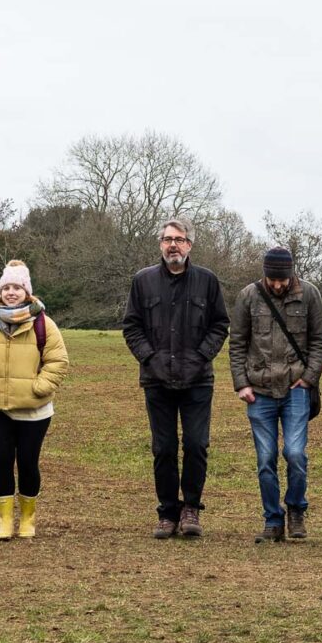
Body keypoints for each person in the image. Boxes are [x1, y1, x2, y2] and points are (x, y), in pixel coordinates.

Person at [123, 217, 230, 539]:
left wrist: (200, 357)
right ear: (160, 243)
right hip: (157, 380)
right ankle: (167, 512)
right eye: (168, 239)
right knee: (164, 448)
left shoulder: (207, 281)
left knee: (196, 445)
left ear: (190, 245)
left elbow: (219, 324)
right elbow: (132, 326)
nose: (173, 245)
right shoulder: (143, 281)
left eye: (180, 239)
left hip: (197, 380)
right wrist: (150, 358)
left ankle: (191, 508)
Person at [228, 247, 322, 543]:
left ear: (291, 274)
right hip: (258, 391)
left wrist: (309, 378)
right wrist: (241, 384)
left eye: (281, 279)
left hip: (296, 389)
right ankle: (273, 519)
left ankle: (296, 510)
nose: (276, 284)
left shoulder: (309, 294)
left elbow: (319, 341)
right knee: (266, 458)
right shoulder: (248, 295)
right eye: (271, 278)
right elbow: (237, 343)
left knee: (295, 454)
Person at [0, 259, 69, 541]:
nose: (11, 292)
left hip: (34, 410)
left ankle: (27, 519)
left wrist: (39, 387)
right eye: (6, 287)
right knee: (1, 461)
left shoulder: (43, 324)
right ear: (0, 291)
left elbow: (58, 361)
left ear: (27, 291)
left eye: (17, 287)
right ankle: (5, 521)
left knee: (27, 462)